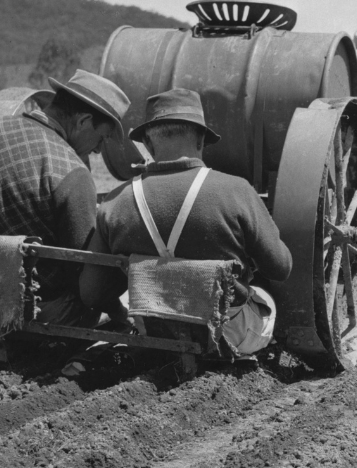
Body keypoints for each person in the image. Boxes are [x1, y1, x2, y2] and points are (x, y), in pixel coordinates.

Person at [80, 88, 291, 356]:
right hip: (227, 336)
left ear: (148, 142)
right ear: (201, 140)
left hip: (155, 336)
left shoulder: (114, 203)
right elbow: (281, 268)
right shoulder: (237, 191)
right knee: (265, 298)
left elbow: (92, 294)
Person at [0, 68, 130, 328]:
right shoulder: (71, 170)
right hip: (34, 315)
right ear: (82, 122)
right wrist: (117, 311)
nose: (100, 149)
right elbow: (85, 276)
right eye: (102, 138)